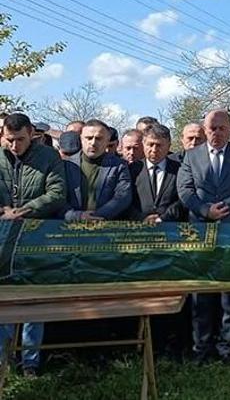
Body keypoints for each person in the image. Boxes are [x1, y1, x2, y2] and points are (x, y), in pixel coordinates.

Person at [177, 109, 230, 362]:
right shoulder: (191, 156)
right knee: (201, 294)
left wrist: (225, 207)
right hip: (199, 231)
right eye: (212, 128)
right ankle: (201, 348)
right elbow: (185, 190)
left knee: (229, 296)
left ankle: (228, 348)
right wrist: (204, 210)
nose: (216, 133)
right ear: (205, 129)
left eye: (222, 128)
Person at [0, 113, 66, 376]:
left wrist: (25, 210)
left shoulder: (48, 157)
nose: (14, 145)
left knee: (33, 301)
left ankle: (30, 361)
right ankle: (3, 359)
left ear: (32, 134)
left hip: (36, 234)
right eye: (9, 139)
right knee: (3, 300)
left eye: (20, 139)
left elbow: (57, 193)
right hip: (2, 234)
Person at [64, 119, 132, 221]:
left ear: (107, 140)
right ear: (81, 139)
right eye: (89, 138)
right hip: (70, 227)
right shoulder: (67, 165)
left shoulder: (119, 166)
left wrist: (95, 217)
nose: (93, 143)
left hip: (105, 226)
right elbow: (58, 198)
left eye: (99, 138)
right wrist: (77, 216)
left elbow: (123, 197)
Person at [127, 124, 184, 222]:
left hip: (171, 227)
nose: (154, 150)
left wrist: (163, 218)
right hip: (138, 227)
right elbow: (125, 200)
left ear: (168, 146)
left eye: (159, 145)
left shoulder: (180, 169)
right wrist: (141, 218)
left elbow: (183, 199)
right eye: (150, 144)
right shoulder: (131, 169)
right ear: (143, 144)